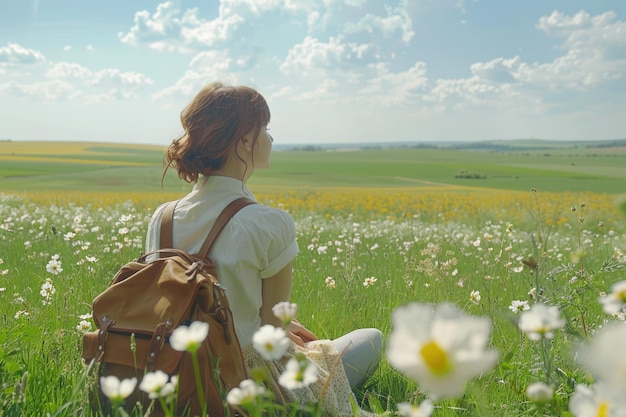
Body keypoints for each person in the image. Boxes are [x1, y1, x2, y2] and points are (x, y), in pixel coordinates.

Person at [145, 82, 383, 416]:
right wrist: (289, 333)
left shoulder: (163, 218)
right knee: (370, 339)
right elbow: (272, 338)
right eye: (265, 129)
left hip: (173, 378)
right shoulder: (268, 223)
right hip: (248, 386)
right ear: (244, 140)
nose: (270, 139)